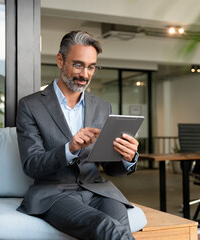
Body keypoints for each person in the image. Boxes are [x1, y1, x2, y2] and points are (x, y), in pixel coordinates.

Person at [16, 30, 140, 240]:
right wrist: (69, 148)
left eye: (91, 67)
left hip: (99, 191)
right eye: (78, 65)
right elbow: (32, 165)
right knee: (107, 227)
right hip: (54, 194)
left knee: (119, 226)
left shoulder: (102, 107)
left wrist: (127, 158)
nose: (85, 74)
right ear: (60, 60)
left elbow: (111, 168)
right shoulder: (30, 106)